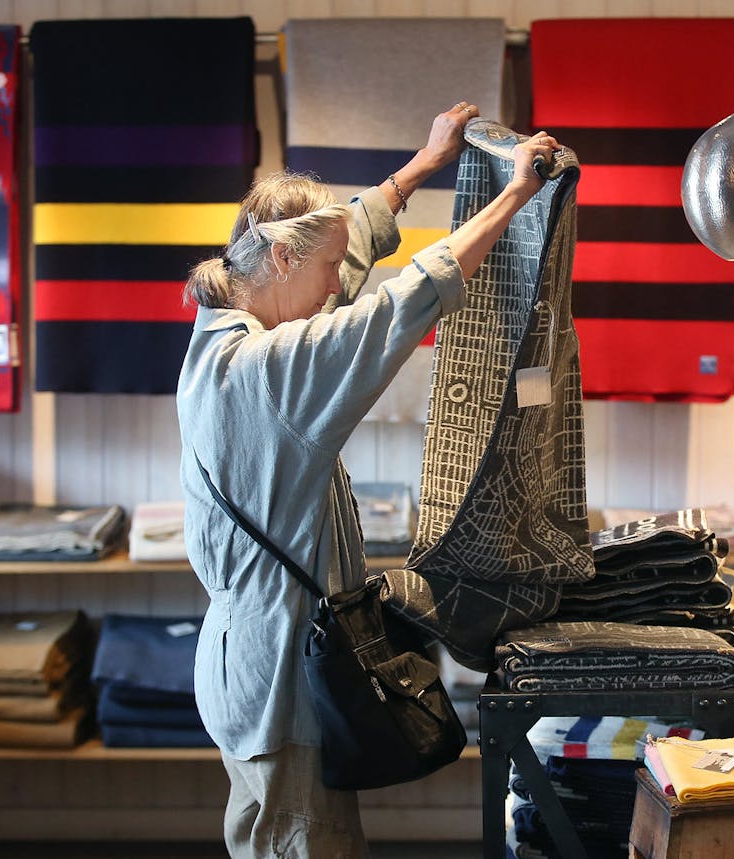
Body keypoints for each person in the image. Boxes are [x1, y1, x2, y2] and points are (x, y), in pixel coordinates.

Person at [177, 102, 561, 858]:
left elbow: (343, 260)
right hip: (281, 674)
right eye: (322, 272)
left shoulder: (232, 329)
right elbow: (398, 303)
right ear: (283, 261)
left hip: (256, 658)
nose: (333, 288)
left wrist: (421, 166)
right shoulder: (264, 373)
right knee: (304, 842)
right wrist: (517, 195)